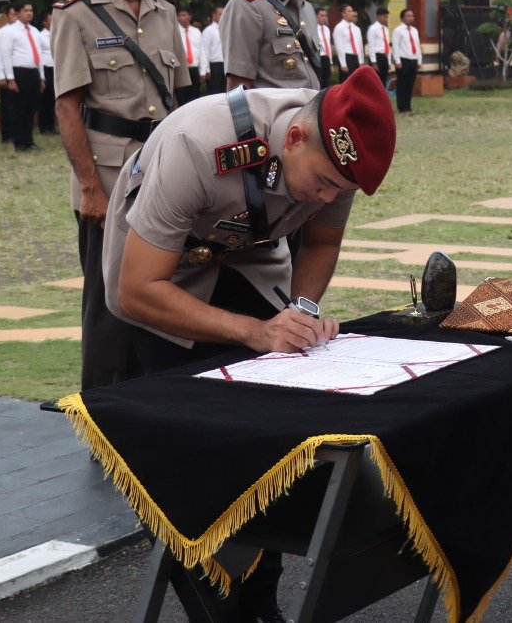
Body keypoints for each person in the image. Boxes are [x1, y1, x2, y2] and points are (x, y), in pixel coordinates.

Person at [101, 63, 396, 621]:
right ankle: (215, 603)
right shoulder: (197, 144)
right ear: (292, 137)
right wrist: (257, 332)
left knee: (269, 452)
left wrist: (302, 312)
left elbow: (321, 244)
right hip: (165, 273)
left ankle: (261, 601)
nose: (330, 195)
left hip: (255, 258)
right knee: (197, 453)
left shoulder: (338, 152)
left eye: (342, 189)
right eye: (326, 184)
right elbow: (139, 290)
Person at [51, 0, 188, 390]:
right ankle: (104, 411)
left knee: (165, 289)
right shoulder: (75, 14)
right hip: (108, 178)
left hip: (163, 171)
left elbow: (184, 100)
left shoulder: (164, 13)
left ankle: (155, 399)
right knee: (107, 301)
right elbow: (68, 105)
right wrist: (89, 186)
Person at [0, 2, 44, 151]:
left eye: (31, 10)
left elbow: (39, 55)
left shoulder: (35, 31)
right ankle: (19, 142)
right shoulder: (10, 32)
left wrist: (41, 77)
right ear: (18, 13)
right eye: (26, 10)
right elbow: (6, 56)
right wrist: (10, 78)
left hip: (33, 72)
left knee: (31, 108)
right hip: (19, 72)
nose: (29, 13)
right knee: (19, 108)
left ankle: (29, 140)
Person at [0, 2, 19, 144]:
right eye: (13, 14)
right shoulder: (1, 33)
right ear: (8, 16)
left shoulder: (22, 31)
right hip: (6, 75)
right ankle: (7, 134)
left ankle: (18, 131)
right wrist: (1, 76)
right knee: (7, 105)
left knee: (19, 105)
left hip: (19, 72)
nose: (16, 17)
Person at [390, 8, 422, 114]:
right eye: (408, 16)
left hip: (413, 60)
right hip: (403, 60)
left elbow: (417, 46)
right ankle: (402, 107)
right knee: (402, 84)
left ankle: (408, 106)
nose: (411, 18)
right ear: (403, 18)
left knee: (410, 84)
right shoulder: (398, 30)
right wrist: (397, 61)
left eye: (412, 16)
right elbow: (396, 47)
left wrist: (419, 60)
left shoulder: (415, 30)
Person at [176, 7, 204, 103]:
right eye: (179, 15)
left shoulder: (196, 32)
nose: (182, 17)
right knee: (182, 96)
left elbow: (202, 52)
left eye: (184, 15)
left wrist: (203, 71)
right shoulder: (175, 32)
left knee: (194, 96)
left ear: (190, 17)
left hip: (194, 69)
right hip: (181, 68)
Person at [38, 12, 57, 135]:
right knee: (45, 100)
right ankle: (44, 127)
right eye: (51, 20)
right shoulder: (40, 36)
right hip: (46, 68)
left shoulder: (58, 34)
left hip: (56, 69)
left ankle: (51, 126)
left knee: (54, 100)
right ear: (45, 23)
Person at [332, 3, 364, 74]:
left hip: (356, 57)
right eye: (349, 11)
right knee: (346, 81)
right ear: (343, 14)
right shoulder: (339, 28)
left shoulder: (356, 29)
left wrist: (361, 61)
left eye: (352, 11)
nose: (352, 13)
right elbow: (339, 47)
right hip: (347, 57)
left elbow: (360, 46)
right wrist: (343, 64)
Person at [367, 5, 392, 89]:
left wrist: (388, 61)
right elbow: (371, 46)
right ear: (379, 16)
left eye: (387, 17)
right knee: (375, 82)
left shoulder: (385, 29)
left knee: (383, 81)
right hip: (377, 57)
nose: (386, 19)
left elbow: (387, 45)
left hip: (384, 56)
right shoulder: (373, 28)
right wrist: (374, 62)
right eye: (385, 17)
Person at [201, 4, 225, 92]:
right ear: (214, 15)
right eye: (220, 14)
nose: (223, 16)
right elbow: (205, 51)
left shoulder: (227, 29)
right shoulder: (208, 31)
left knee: (226, 92)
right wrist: (206, 69)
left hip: (226, 65)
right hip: (214, 66)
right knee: (215, 92)